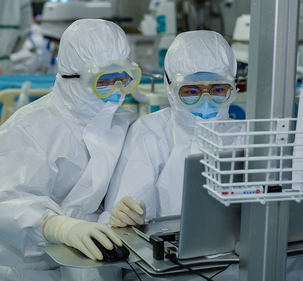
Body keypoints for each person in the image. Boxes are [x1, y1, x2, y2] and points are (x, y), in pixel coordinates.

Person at [0, 19, 141, 281]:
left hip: (97, 263)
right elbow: (2, 200)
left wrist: (126, 208)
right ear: (72, 77)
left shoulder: (123, 123)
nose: (117, 92)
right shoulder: (29, 128)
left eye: (124, 79)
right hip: (25, 268)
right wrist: (58, 226)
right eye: (103, 81)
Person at [99, 30, 240, 280]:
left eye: (218, 89)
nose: (205, 102)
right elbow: (126, 227)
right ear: (170, 86)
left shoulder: (247, 137)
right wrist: (125, 215)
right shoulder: (150, 134)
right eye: (191, 91)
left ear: (234, 86)